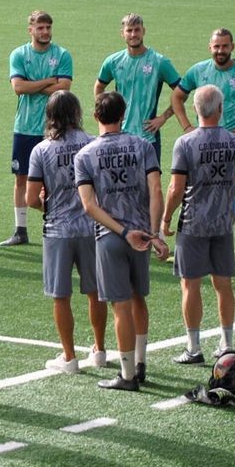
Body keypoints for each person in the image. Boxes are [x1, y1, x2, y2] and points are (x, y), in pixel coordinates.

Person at [75, 92, 168, 391]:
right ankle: (140, 363)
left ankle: (127, 375)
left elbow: (89, 206)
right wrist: (154, 233)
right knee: (139, 298)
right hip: (142, 234)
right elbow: (156, 190)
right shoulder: (143, 147)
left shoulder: (85, 156)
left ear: (95, 117)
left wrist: (122, 231)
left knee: (120, 306)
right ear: (123, 115)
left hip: (111, 237)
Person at [162, 85, 235, 365]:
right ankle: (226, 343)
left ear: (195, 109)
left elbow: (176, 188)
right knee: (223, 285)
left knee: (190, 286)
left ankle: (193, 347)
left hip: (193, 223)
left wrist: (165, 218)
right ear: (221, 108)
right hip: (223, 223)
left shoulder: (185, 143)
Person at [25, 91, 109, 374]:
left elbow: (30, 198)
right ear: (76, 113)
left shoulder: (42, 150)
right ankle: (99, 349)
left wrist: (47, 206)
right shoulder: (93, 143)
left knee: (61, 295)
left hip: (58, 230)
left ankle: (69, 356)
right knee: (95, 291)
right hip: (91, 227)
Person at [5, 10, 72, 247]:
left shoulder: (62, 54)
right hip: (24, 126)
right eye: (40, 28)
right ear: (30, 30)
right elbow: (18, 87)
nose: (45, 32)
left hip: (53, 128)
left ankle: (56, 223)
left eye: (48, 27)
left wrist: (33, 84)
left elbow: (64, 87)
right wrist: (47, 82)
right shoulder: (19, 54)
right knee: (21, 178)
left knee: (56, 179)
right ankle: (20, 230)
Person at [94, 14, 187, 167]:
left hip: (148, 137)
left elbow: (182, 93)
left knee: (151, 187)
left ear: (144, 31)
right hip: (119, 135)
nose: (133, 35)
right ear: (122, 33)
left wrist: (163, 117)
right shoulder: (113, 62)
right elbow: (99, 86)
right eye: (129, 30)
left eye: (137, 30)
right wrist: (104, 118)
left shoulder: (159, 62)